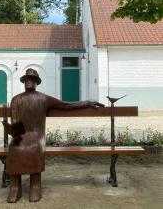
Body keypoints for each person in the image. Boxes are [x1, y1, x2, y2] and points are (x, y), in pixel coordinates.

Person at [6, 68, 104, 203]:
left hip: (37, 135)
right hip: (20, 134)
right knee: (14, 148)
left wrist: (86, 102)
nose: (30, 82)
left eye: (33, 80)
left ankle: (35, 186)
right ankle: (15, 188)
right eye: (27, 79)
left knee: (34, 147)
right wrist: (13, 132)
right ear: (24, 82)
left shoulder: (44, 98)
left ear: (36, 83)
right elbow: (15, 122)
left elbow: (66, 105)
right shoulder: (16, 100)